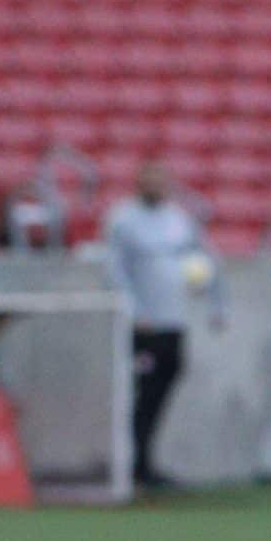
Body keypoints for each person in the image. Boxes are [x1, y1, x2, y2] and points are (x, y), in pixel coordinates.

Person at [102, 159, 224, 491]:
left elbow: (205, 260)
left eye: (161, 180)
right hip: (142, 326)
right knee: (138, 393)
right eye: (150, 179)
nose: (156, 186)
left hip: (174, 322)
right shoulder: (123, 220)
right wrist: (133, 310)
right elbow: (114, 269)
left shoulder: (178, 220)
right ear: (139, 183)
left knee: (158, 392)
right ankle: (130, 464)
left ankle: (143, 462)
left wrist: (215, 301)